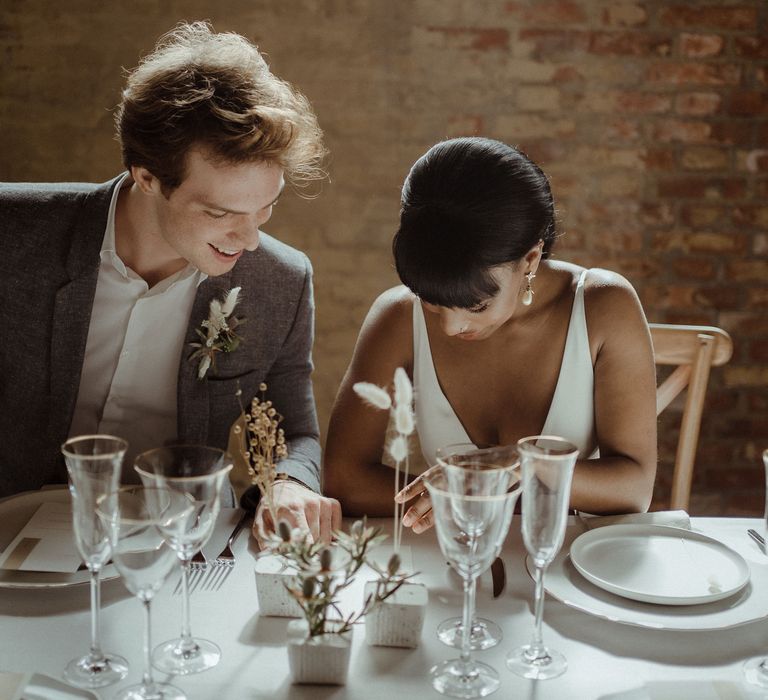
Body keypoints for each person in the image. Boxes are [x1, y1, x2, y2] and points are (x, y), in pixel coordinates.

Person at [0, 22, 340, 543]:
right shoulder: (15, 234)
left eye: (265, 210)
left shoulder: (281, 280)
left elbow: (295, 431)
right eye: (221, 212)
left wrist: (289, 484)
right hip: (15, 527)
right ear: (148, 178)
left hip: (182, 540)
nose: (249, 240)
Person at [324, 137, 657, 532]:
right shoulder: (397, 316)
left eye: (476, 306)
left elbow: (633, 488)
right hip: (452, 557)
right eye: (432, 301)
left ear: (530, 259)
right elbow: (343, 479)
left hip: (569, 563)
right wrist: (456, 497)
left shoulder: (605, 306)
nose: (451, 326)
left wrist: (512, 465)